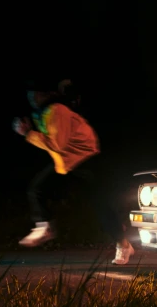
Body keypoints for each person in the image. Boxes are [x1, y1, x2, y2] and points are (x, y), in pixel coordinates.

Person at [12, 77, 135, 265]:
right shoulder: (44, 112)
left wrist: (28, 134)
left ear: (45, 94)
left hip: (86, 160)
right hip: (67, 160)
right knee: (37, 188)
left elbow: (57, 144)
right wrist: (30, 132)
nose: (30, 97)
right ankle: (44, 226)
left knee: (101, 207)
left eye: (34, 94)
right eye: (29, 94)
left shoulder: (57, 110)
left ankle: (123, 244)